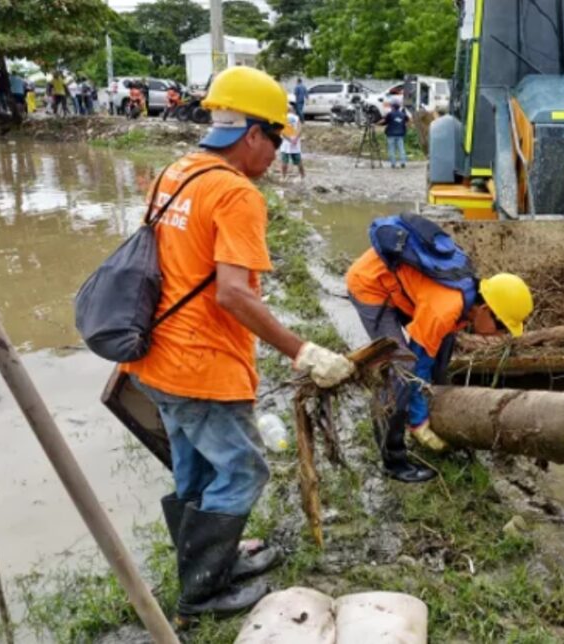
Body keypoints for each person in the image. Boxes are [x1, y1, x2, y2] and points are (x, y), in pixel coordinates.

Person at [121, 66, 359, 623]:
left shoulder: (175, 173)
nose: (276, 152)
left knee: (195, 470)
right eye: (275, 139)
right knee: (244, 471)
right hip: (202, 366)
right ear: (252, 133)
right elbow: (231, 293)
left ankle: (209, 563)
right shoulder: (235, 193)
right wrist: (302, 350)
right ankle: (202, 592)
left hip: (156, 357)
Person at [346, 222, 534, 482]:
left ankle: (437, 409)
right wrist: (418, 423)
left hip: (402, 287)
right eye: (501, 326)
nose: (499, 335)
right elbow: (417, 363)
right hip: (371, 285)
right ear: (484, 309)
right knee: (400, 369)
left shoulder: (467, 296)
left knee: (443, 346)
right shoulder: (446, 308)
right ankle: (393, 460)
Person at [378, 98, 410, 169]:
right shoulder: (403, 114)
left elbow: (384, 122)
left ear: (392, 106)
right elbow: (407, 121)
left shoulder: (390, 114)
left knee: (391, 149)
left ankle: (393, 164)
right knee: (401, 149)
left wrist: (377, 123)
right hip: (400, 134)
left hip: (391, 134)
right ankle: (403, 163)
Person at [279, 104, 305, 181]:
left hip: (285, 143)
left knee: (284, 161)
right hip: (295, 143)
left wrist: (289, 140)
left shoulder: (282, 118)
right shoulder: (296, 118)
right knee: (298, 161)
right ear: (292, 110)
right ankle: (302, 176)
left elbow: (282, 131)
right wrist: (295, 139)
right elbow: (300, 129)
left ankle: (283, 177)